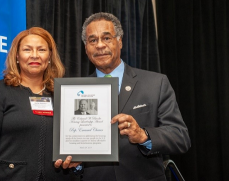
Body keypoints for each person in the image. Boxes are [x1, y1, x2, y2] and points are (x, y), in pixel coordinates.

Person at [57, 12, 191, 180]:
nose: (99, 45)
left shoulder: (156, 83)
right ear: (86, 48)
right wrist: (75, 163)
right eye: (93, 40)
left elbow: (180, 137)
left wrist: (143, 135)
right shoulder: (73, 92)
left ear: (119, 41)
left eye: (106, 38)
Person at [0, 27, 80, 181]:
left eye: (41, 50)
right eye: (27, 49)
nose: (35, 55)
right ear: (17, 56)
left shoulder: (64, 94)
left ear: (49, 56)